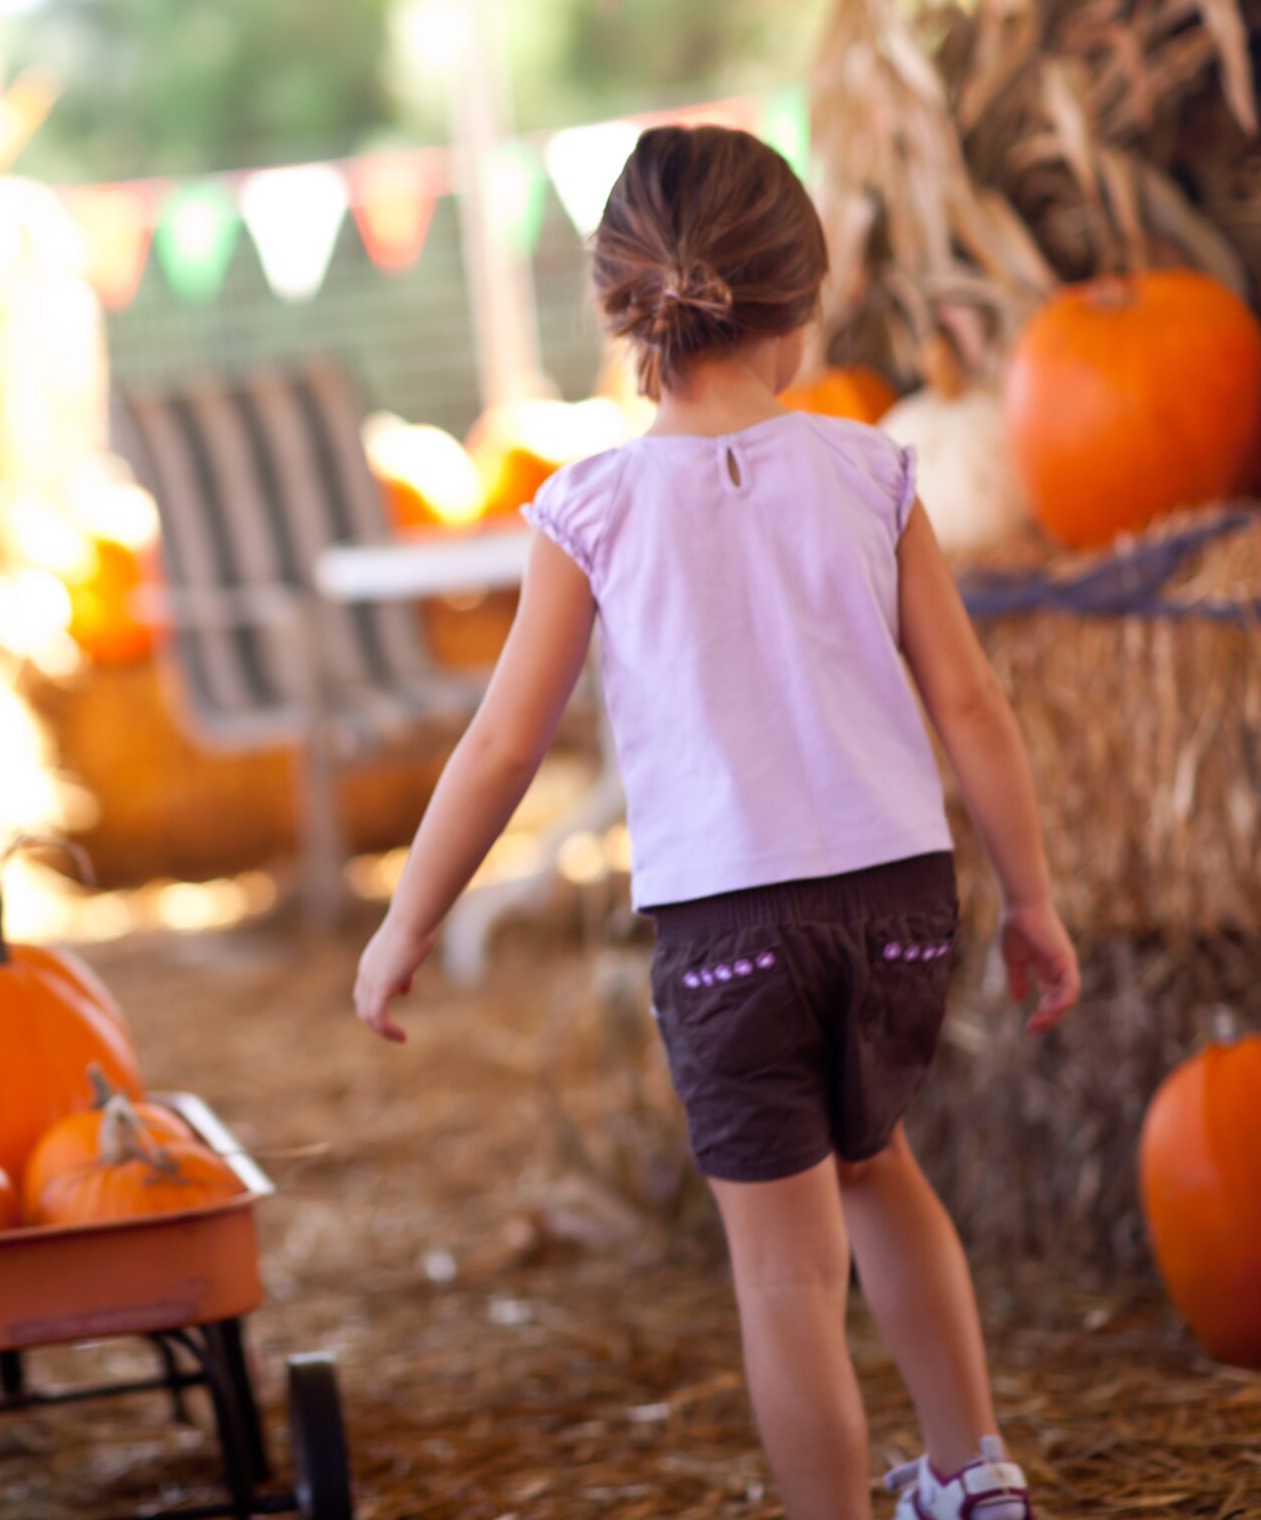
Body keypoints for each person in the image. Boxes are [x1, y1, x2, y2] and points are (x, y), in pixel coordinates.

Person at [352, 128, 1080, 1520]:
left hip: (730, 932)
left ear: (627, 310)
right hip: (900, 903)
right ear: (799, 307)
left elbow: (503, 740)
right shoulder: (876, 470)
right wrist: (1033, 896)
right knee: (885, 1171)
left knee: (788, 1269)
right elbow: (974, 705)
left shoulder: (589, 509)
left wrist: (409, 918)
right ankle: (973, 1471)